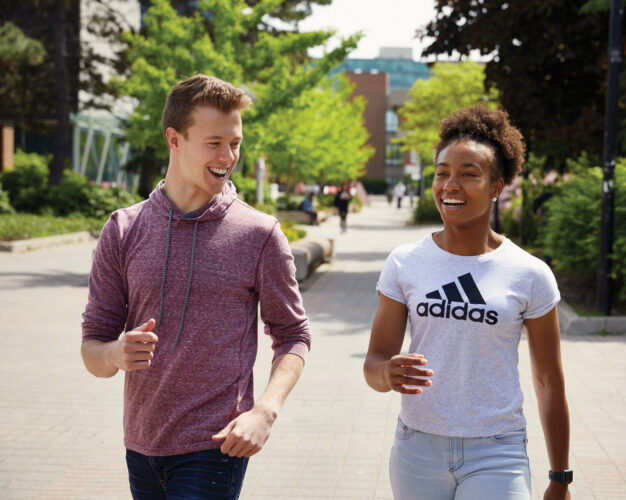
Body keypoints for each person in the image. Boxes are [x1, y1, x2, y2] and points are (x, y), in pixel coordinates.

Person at [81, 75, 311, 500]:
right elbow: (92, 349)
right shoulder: (122, 229)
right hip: (141, 443)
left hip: (216, 445)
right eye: (215, 143)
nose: (229, 156)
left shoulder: (259, 234)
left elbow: (294, 336)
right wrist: (114, 352)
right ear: (175, 139)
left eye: (236, 143)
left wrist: (265, 410)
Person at [364, 104, 571, 500]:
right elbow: (374, 363)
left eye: (468, 174)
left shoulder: (529, 274)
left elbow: (548, 380)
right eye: (442, 174)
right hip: (417, 448)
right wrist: (387, 374)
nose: (450, 185)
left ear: (497, 186)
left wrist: (560, 477)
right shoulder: (405, 263)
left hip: (497, 450)